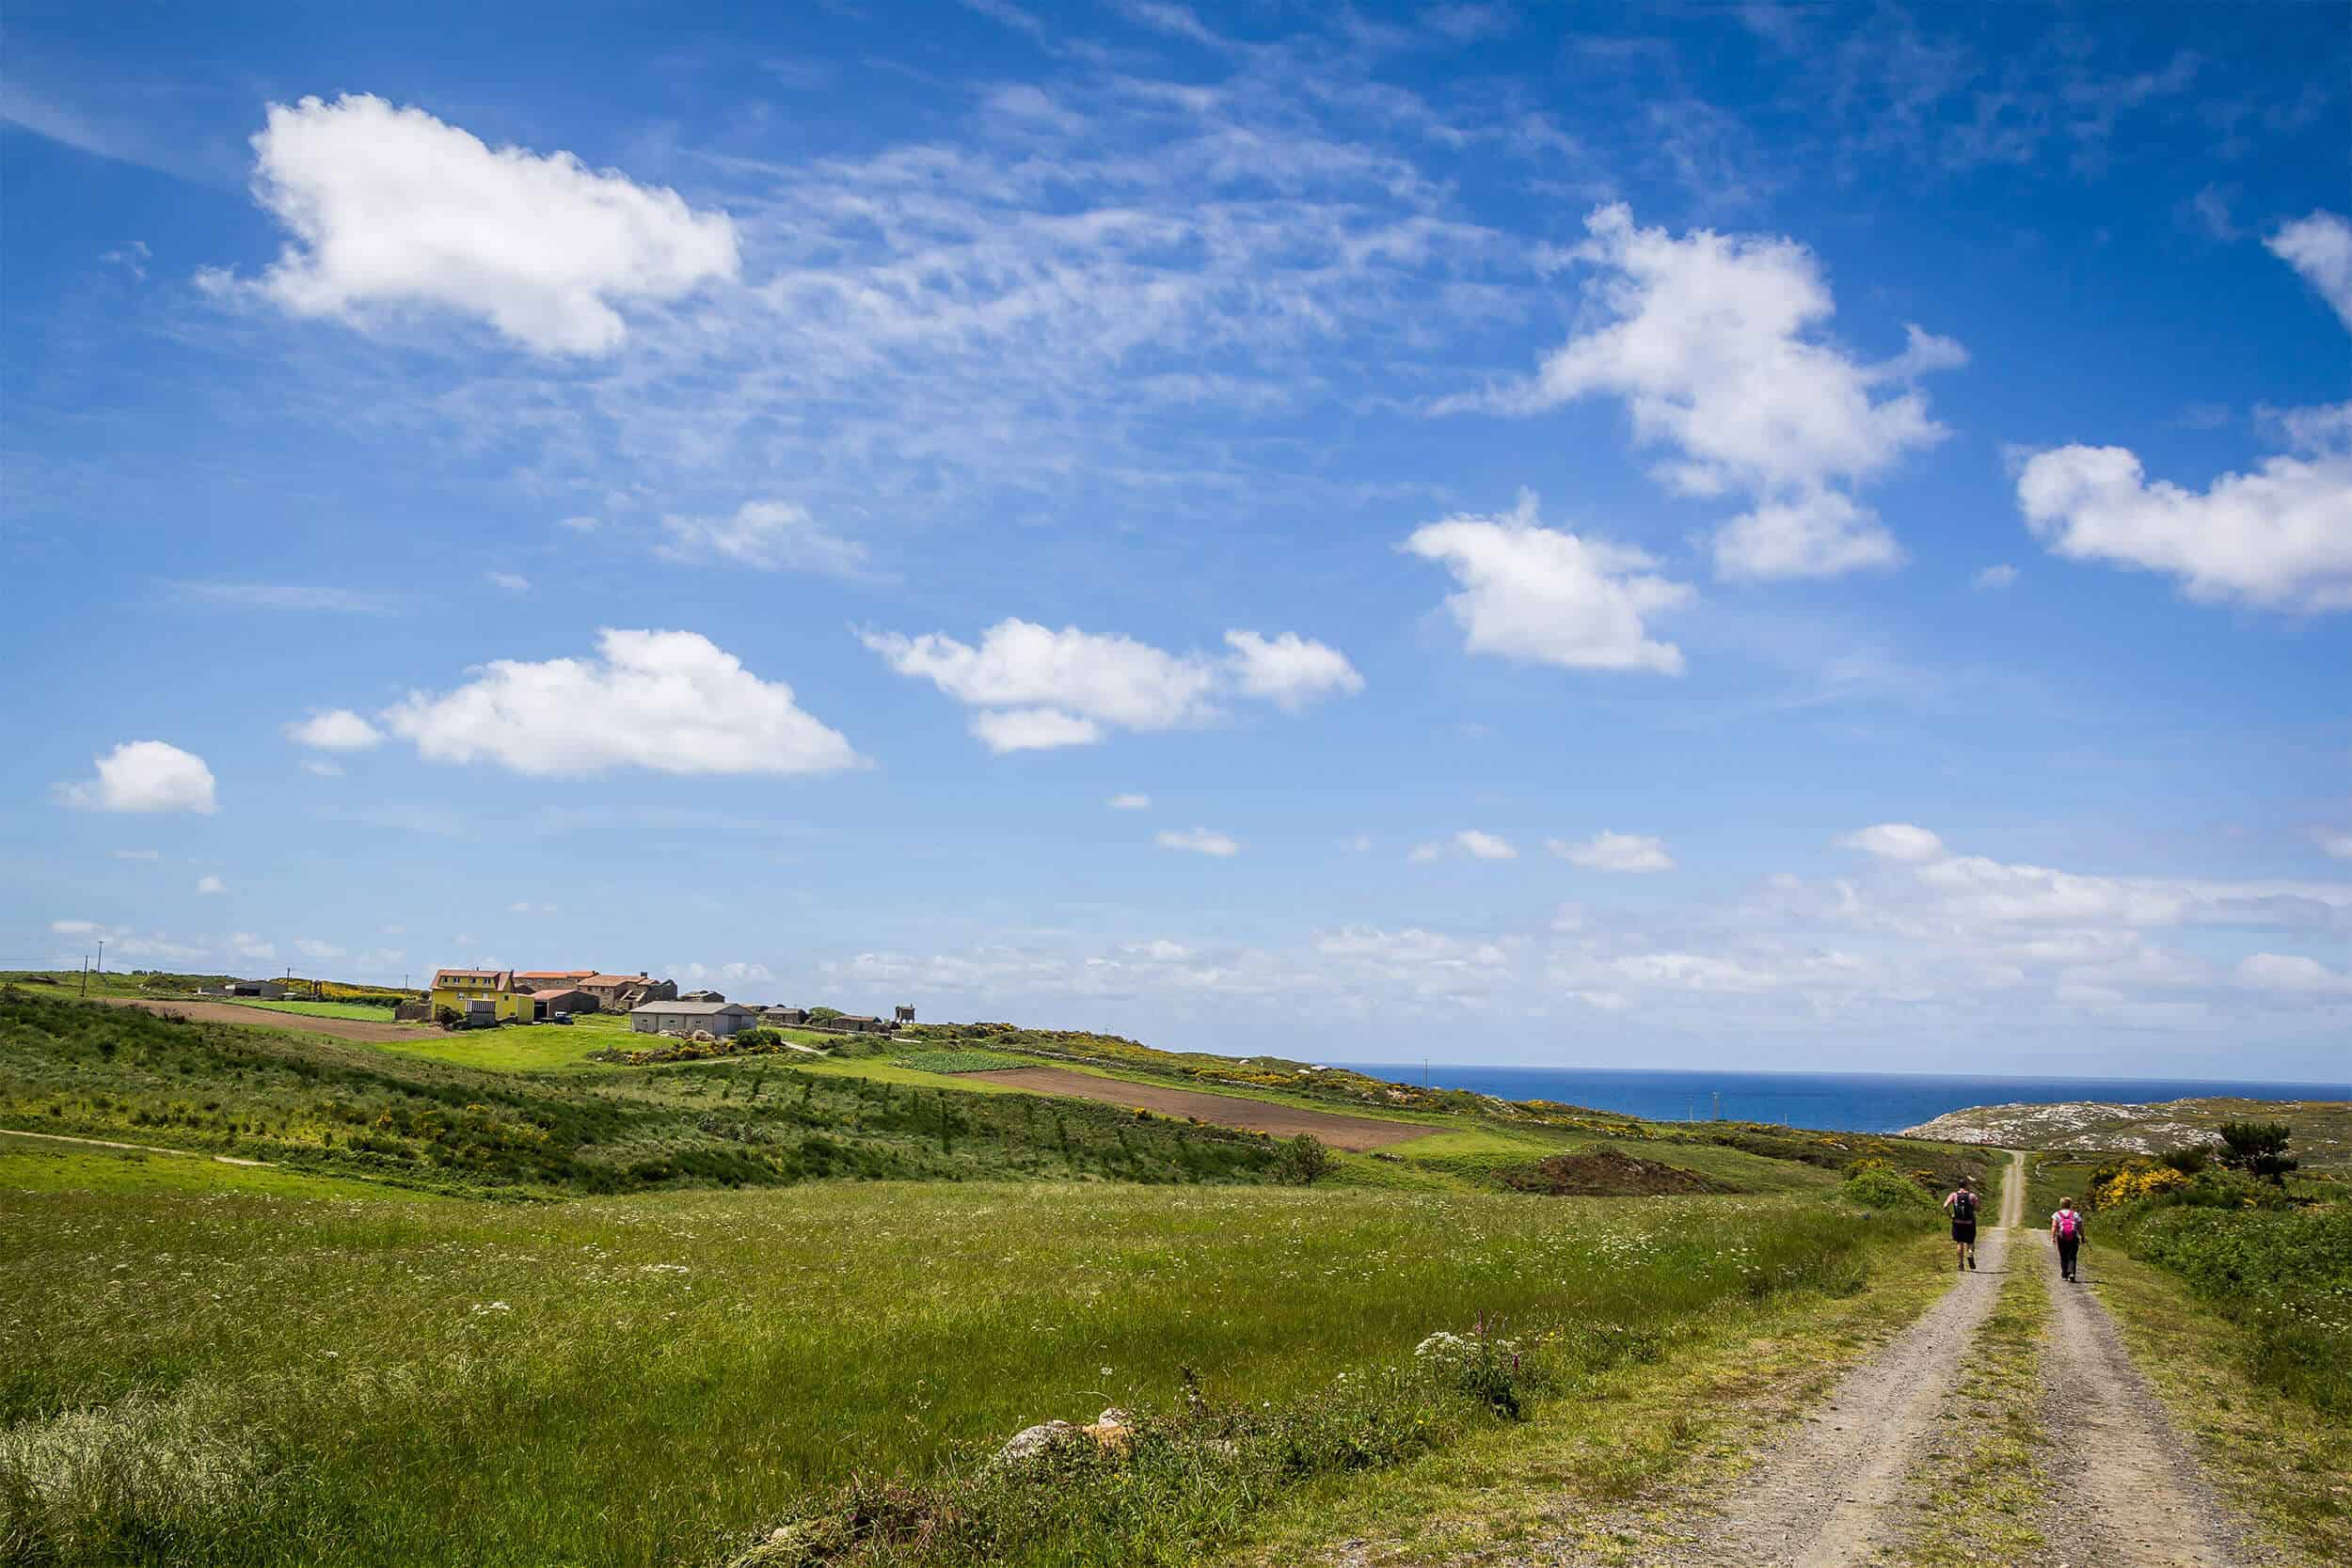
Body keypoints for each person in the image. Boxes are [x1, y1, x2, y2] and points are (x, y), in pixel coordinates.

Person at [1943, 1178, 1981, 1271]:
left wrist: (1951, 1216)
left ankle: (1960, 1264)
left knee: (1959, 1243)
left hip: (1957, 1223)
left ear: (1959, 1185)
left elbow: (1945, 1206)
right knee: (1970, 1242)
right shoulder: (1972, 1196)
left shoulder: (1953, 1195)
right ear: (1967, 1185)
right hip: (1969, 1223)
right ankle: (1970, 1254)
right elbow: (1978, 1209)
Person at [2051, 1198, 2085, 1282]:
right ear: (2070, 1205)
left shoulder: (2057, 1214)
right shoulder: (2075, 1214)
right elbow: (2080, 1227)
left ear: (2061, 1205)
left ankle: (2065, 1275)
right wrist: (2083, 1236)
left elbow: (2054, 1226)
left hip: (2061, 1237)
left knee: (2063, 1255)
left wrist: (2052, 1237)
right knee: (2072, 1256)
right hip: (2074, 1237)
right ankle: (2072, 1273)